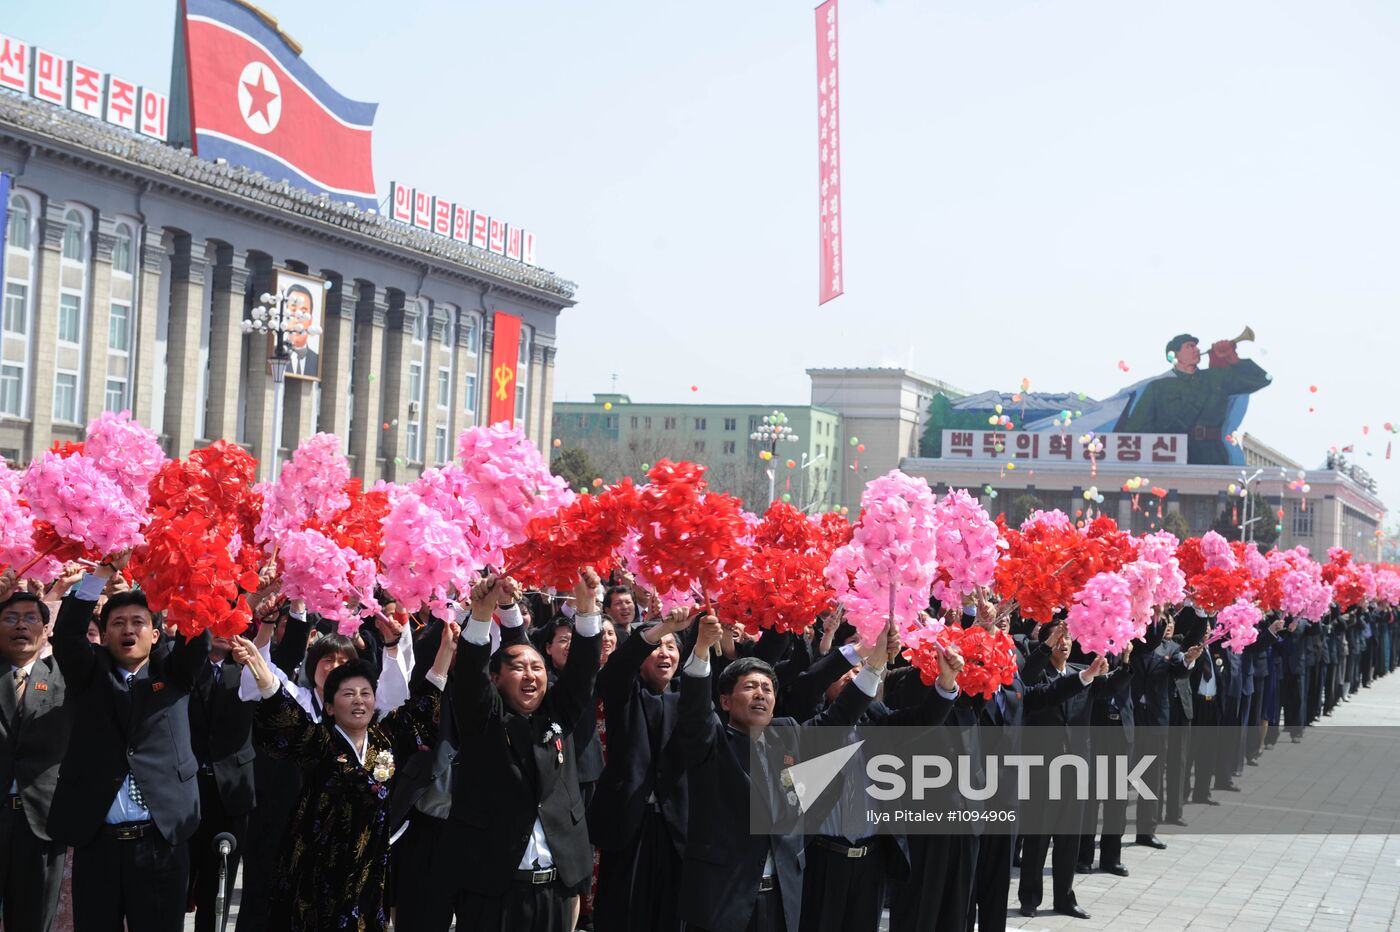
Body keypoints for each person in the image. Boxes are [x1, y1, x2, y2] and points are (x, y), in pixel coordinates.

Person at [231, 613, 458, 932]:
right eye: (347, 695)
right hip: (315, 871)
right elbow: (286, 715)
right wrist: (261, 669)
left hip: (367, 875)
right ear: (329, 706)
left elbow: (420, 707)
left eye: (365, 694)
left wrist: (446, 652)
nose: (358, 701)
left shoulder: (385, 739)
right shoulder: (318, 741)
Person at [676, 613, 886, 932]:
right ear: (726, 701)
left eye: (767, 688)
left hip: (780, 900)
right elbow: (693, 711)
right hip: (722, 900)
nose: (761, 694)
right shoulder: (712, 741)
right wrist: (702, 649)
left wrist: (874, 665)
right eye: (750, 687)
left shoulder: (787, 734)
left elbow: (837, 719)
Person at [48, 553, 211, 932]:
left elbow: (197, 638)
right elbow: (69, 634)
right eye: (117, 623)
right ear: (104, 635)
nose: (128, 630)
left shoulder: (174, 675)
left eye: (139, 622)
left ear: (155, 635)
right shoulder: (89, 674)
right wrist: (99, 575)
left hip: (161, 841)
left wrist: (175, 581)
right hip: (97, 842)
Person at [449, 570, 605, 931]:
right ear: (496, 678)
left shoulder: (558, 715)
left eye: (538, 668)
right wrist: (482, 615)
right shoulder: (483, 721)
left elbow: (583, 673)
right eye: (518, 668)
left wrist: (586, 607)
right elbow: (470, 679)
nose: (531, 675)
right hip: (494, 891)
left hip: (554, 889)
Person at [588, 607, 695, 932]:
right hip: (628, 828)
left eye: (672, 646)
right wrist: (662, 627)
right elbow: (617, 669)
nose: (665, 653)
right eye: (656, 646)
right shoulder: (626, 694)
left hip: (675, 829)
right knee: (624, 914)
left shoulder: (689, 699)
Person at [0, 573, 72, 932]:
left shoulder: (63, 677)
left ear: (46, 631)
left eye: (31, 619)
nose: (21, 626)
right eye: (10, 618)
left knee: (32, 921)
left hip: (41, 822)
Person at [186, 630, 257, 932]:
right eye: (217, 621)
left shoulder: (247, 671)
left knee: (219, 889)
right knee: (177, 884)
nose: (225, 632)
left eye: (234, 623)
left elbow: (286, 653)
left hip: (230, 794)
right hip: (186, 791)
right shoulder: (184, 665)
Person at [1119, 333, 1271, 464]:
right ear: (1175, 355)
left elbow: (1263, 379)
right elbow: (1135, 429)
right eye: (1190, 346)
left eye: (1196, 346)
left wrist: (1233, 357)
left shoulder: (1216, 377)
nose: (1196, 349)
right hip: (1170, 455)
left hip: (1211, 454)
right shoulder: (1158, 388)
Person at [284, 283, 319, 378]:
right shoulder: (274, 353)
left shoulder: (317, 360)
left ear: (311, 319)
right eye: (293, 311)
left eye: (303, 313)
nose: (298, 319)